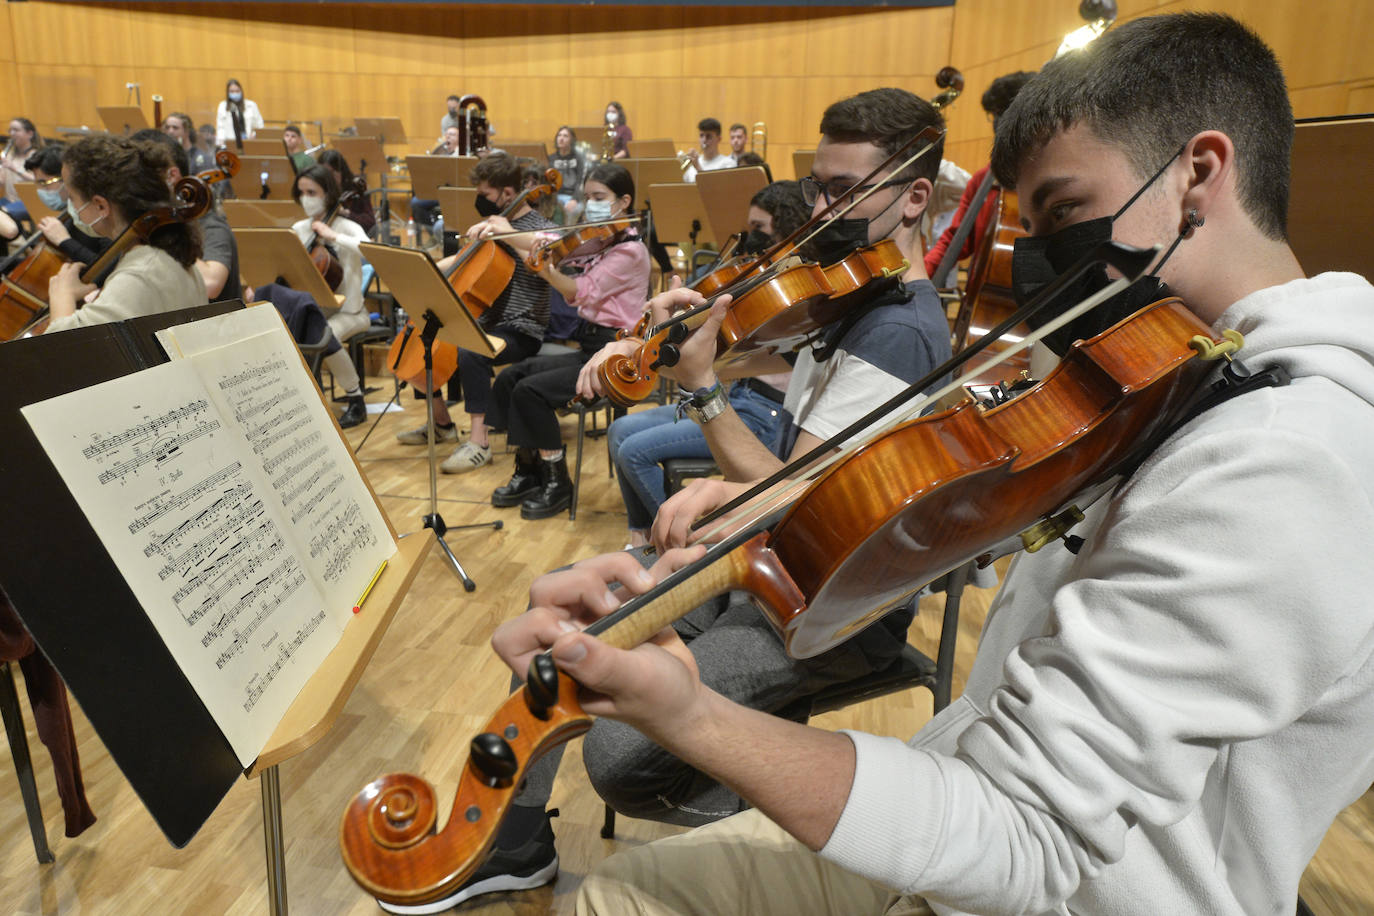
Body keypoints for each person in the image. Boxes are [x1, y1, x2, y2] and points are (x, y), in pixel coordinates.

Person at [495, 14, 1374, 916]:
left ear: (1199, 173)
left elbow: (1031, 838)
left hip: (1080, 888)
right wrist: (752, 550)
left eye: (1067, 212)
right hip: (978, 794)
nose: (1040, 264)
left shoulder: (1287, 465)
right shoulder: (1173, 370)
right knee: (627, 890)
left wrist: (689, 713)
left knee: (622, 899)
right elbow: (957, 511)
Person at [390, 88, 953, 912]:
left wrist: (701, 395)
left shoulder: (897, 330)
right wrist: (701, 336)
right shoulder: (850, 299)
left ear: (912, 197)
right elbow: (781, 464)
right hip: (758, 564)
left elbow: (795, 497)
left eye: (843, 190)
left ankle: (798, 835)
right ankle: (516, 846)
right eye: (818, 184)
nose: (820, 207)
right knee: (559, 631)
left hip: (825, 606)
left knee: (622, 761)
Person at [605, 180, 809, 547]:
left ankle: (670, 540)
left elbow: (730, 362)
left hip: (763, 415)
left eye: (759, 230)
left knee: (634, 451)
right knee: (620, 431)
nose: (750, 240)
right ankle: (639, 538)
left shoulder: (793, 295)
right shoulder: (757, 280)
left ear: (789, 232)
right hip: (738, 398)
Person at [482, 163, 649, 518]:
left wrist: (544, 270)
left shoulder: (630, 251)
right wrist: (512, 235)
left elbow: (579, 291)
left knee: (531, 391)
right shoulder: (602, 239)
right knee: (513, 376)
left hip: (616, 357)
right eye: (587, 197)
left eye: (599, 197)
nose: (591, 204)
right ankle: (529, 470)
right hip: (588, 345)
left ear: (624, 201)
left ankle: (557, 480)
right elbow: (553, 244)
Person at [395, 154, 556, 469]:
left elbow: (549, 254)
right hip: (486, 321)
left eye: (484, 194)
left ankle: (479, 442)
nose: (479, 200)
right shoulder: (488, 226)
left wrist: (507, 231)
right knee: (423, 338)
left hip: (523, 329)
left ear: (507, 194)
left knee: (473, 351)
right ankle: (441, 424)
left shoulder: (540, 228)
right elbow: (459, 263)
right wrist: (417, 269)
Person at [44, 135, 206, 333]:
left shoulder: (141, 274)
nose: (71, 207)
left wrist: (63, 296)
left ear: (101, 205)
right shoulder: (162, 254)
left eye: (72, 197)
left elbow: (63, 348)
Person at [923, 70, 1036, 285]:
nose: (998, 123)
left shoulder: (1050, 177)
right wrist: (917, 279)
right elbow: (956, 240)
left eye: (1003, 113)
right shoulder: (984, 179)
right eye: (995, 115)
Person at [290, 164, 370, 428]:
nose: (306, 198)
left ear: (328, 194)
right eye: (301, 192)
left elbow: (371, 251)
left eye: (312, 192)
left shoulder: (347, 226)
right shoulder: (299, 229)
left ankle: (356, 399)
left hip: (351, 312)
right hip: (316, 309)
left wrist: (334, 237)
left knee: (326, 335)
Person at [132, 128, 241, 304]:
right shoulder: (143, 222)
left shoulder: (209, 224)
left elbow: (211, 284)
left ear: (172, 176)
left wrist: (165, 233)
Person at [316, 148, 376, 237]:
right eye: (326, 173)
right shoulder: (318, 189)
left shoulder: (355, 189)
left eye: (333, 172)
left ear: (342, 171)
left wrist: (347, 214)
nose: (329, 178)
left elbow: (370, 223)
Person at [2, 118, 41, 225]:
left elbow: (39, 181)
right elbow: (2, 181)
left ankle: (20, 239)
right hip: (10, 199)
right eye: (10, 130)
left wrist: (14, 169)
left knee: (4, 214)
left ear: (29, 134)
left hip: (31, 201)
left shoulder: (36, 155)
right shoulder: (9, 155)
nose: (12, 133)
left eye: (16, 130)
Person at [549, 125, 588, 221]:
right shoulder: (551, 158)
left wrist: (574, 199)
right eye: (559, 135)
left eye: (565, 136)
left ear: (571, 140)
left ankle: (567, 235)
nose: (561, 139)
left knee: (573, 210)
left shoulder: (578, 158)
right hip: (555, 196)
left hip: (572, 196)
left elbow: (581, 181)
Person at [215, 78, 263, 149]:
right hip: (230, 143)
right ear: (228, 93)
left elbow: (259, 125)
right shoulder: (223, 106)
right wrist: (221, 141)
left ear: (241, 91)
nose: (235, 93)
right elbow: (220, 127)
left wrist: (254, 135)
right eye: (232, 91)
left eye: (237, 91)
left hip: (249, 142)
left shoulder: (251, 105)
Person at [682, 117, 734, 183]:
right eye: (701, 136)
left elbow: (717, 190)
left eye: (708, 136)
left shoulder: (728, 164)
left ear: (719, 139)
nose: (704, 140)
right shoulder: (691, 164)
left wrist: (698, 168)